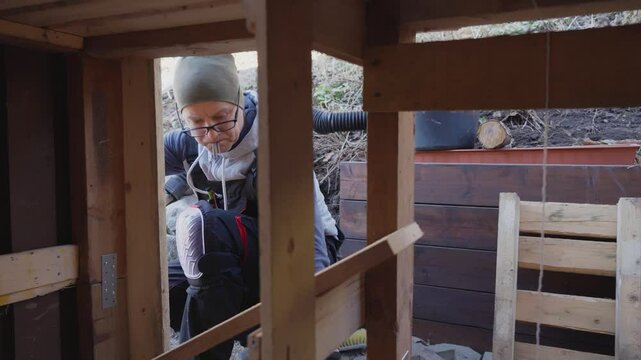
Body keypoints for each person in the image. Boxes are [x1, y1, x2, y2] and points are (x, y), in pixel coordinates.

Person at [164, 55, 342, 360]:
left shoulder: (279, 142)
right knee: (163, 290)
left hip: (296, 252)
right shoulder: (186, 143)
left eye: (222, 117)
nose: (211, 133)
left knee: (201, 225)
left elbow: (309, 241)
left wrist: (314, 319)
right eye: (196, 123)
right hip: (237, 257)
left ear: (239, 101)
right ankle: (253, 338)